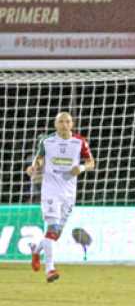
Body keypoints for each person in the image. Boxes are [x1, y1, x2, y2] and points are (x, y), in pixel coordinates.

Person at [25, 112, 95, 282]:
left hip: (69, 193)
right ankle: (50, 269)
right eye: (61, 121)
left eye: (67, 121)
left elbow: (91, 163)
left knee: (55, 233)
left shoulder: (80, 142)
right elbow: (39, 159)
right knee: (52, 227)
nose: (64, 124)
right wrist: (34, 168)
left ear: (72, 124)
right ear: (55, 124)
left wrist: (82, 168)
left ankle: (36, 249)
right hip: (50, 191)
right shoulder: (47, 141)